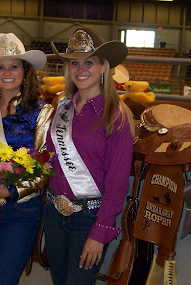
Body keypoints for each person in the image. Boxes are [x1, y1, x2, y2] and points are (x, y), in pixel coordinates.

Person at [44, 27, 135, 284]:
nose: (80, 69)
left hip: (89, 219)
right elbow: (49, 158)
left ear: (104, 66)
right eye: (74, 62)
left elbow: (117, 184)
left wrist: (100, 232)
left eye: (89, 62)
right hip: (54, 213)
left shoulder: (117, 116)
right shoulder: (61, 107)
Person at [0, 33, 52, 285]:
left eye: (14, 66)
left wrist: (6, 192)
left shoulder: (41, 112)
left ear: (25, 72)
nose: (7, 72)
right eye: (0, 66)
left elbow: (45, 168)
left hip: (21, 210)